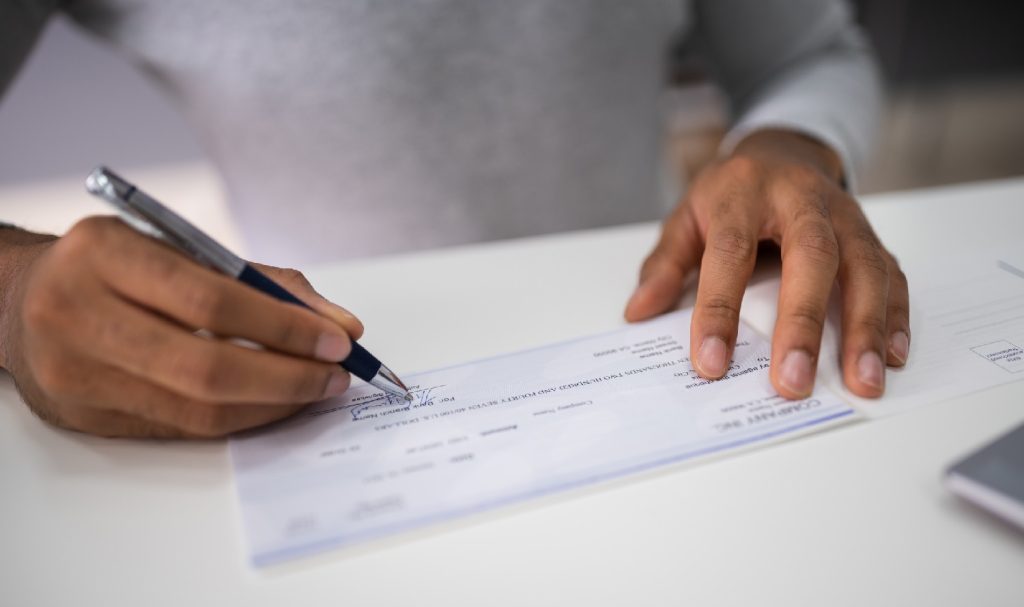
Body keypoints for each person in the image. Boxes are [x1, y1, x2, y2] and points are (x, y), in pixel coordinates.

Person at [0, 0, 910, 438]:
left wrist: (792, 152)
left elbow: (816, 54)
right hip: (282, 371)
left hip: (658, 310)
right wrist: (13, 292)